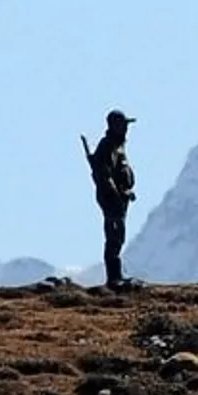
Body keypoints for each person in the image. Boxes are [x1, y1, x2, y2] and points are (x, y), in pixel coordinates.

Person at [86, 109, 138, 289]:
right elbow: (105, 176)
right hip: (111, 200)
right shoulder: (107, 146)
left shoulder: (118, 146)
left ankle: (117, 276)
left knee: (118, 236)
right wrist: (116, 195)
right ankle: (113, 278)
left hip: (120, 200)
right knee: (114, 235)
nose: (126, 128)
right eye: (123, 124)